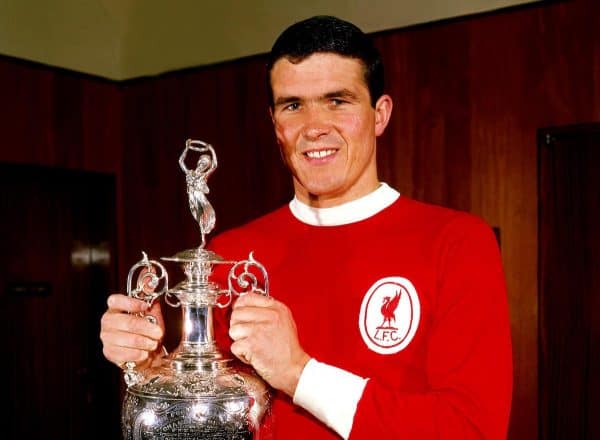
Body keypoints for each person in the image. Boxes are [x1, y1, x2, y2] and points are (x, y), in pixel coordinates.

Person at [100, 15, 513, 439]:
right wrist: (150, 367)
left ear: (380, 115)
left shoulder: (456, 242)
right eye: (293, 105)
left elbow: (473, 429)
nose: (314, 127)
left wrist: (299, 373)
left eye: (338, 100)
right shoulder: (232, 255)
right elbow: (219, 424)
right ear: (275, 123)